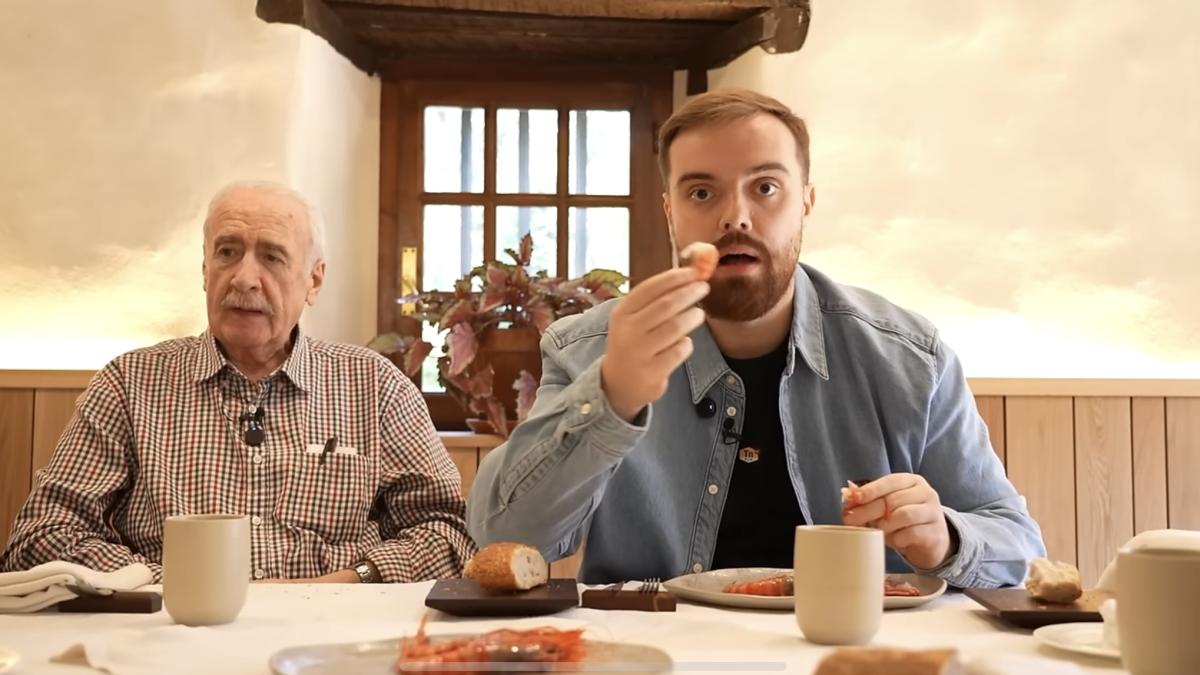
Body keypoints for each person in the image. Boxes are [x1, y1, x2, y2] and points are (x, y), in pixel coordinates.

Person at [467, 89, 1045, 587]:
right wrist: (612, 395)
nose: (734, 218)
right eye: (701, 193)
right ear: (670, 214)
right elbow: (502, 536)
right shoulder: (586, 347)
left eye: (765, 187)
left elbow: (1020, 547)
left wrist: (945, 536)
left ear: (806, 203)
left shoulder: (910, 358)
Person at [1, 182, 474, 583]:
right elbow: (40, 535)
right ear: (205, 270)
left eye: (272, 257)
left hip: (330, 633)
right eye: (228, 252)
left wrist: (354, 579)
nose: (245, 278)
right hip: (165, 636)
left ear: (314, 281)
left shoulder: (375, 387)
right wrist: (157, 581)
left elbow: (449, 535)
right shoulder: (131, 383)